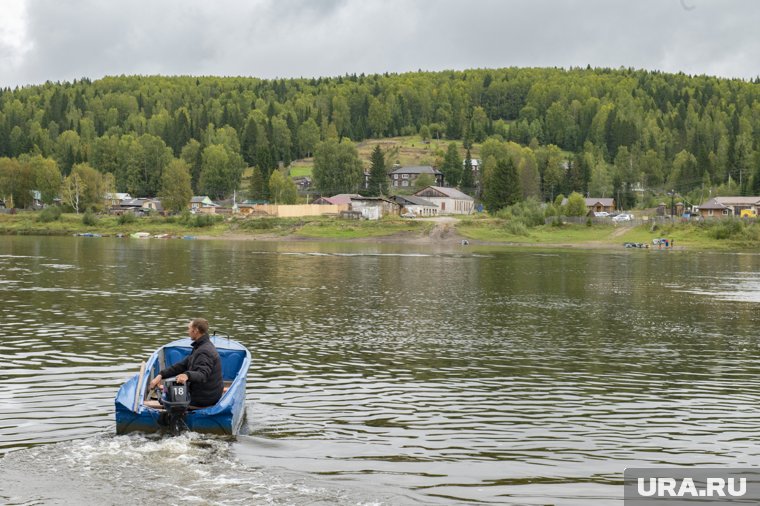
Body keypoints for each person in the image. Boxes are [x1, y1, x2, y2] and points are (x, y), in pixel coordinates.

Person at [149, 318, 224, 407]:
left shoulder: (204, 351)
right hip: (205, 393)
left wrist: (187, 375)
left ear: (195, 330)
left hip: (205, 398)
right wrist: (161, 375)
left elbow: (203, 374)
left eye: (189, 328)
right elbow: (183, 365)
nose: (188, 331)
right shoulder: (200, 346)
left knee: (169, 397)